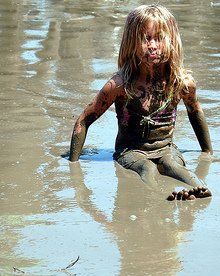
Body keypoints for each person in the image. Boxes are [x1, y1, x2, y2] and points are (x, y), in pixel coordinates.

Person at [69, 4, 212, 200]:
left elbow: (195, 112)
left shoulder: (181, 83)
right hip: (130, 151)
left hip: (166, 148)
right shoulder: (119, 85)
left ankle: (200, 188)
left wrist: (207, 154)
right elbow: (84, 120)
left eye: (160, 38)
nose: (153, 46)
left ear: (172, 42)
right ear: (131, 43)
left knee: (172, 165)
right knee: (146, 167)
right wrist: (73, 168)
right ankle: (164, 195)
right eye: (146, 39)